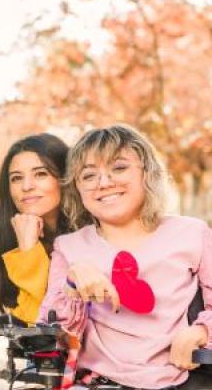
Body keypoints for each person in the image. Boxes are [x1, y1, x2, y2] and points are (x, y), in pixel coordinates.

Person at [39, 124, 212, 389]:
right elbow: (51, 335)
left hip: (174, 381)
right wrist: (72, 287)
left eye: (118, 168)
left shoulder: (192, 233)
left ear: (148, 173)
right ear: (77, 188)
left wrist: (201, 331)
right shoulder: (68, 247)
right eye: (88, 175)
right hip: (94, 383)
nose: (104, 182)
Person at [0, 133, 69, 324]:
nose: (26, 186)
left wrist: (29, 254)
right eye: (16, 178)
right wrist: (27, 247)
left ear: (64, 177)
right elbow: (32, 324)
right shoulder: (5, 240)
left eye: (41, 174)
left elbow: (55, 321)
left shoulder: (89, 236)